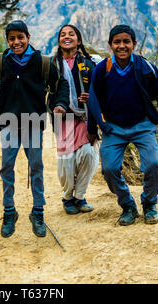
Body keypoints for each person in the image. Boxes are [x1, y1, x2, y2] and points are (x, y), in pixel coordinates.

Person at [0, 20, 70, 238]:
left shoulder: (42, 62)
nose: (16, 42)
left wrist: (59, 104)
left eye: (20, 37)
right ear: (8, 40)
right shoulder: (0, 61)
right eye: (12, 38)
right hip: (8, 124)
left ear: (28, 37)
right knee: (7, 168)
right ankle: (9, 211)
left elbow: (60, 84)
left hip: (33, 123)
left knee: (36, 167)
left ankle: (38, 212)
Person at [87, 24, 158, 226]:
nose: (122, 46)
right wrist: (92, 129)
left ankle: (149, 204)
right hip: (114, 128)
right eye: (117, 42)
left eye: (126, 41)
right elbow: (94, 101)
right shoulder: (103, 69)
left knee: (153, 164)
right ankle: (128, 206)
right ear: (110, 45)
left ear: (134, 44)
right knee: (109, 169)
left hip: (142, 125)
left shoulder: (145, 67)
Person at [52, 24, 100, 215]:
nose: (67, 36)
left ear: (79, 41)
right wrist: (56, 105)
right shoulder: (52, 65)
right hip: (63, 120)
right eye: (63, 34)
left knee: (88, 154)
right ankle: (67, 197)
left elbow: (100, 90)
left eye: (71, 34)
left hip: (86, 118)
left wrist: (92, 97)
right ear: (59, 41)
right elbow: (46, 92)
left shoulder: (89, 64)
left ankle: (80, 196)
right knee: (67, 160)